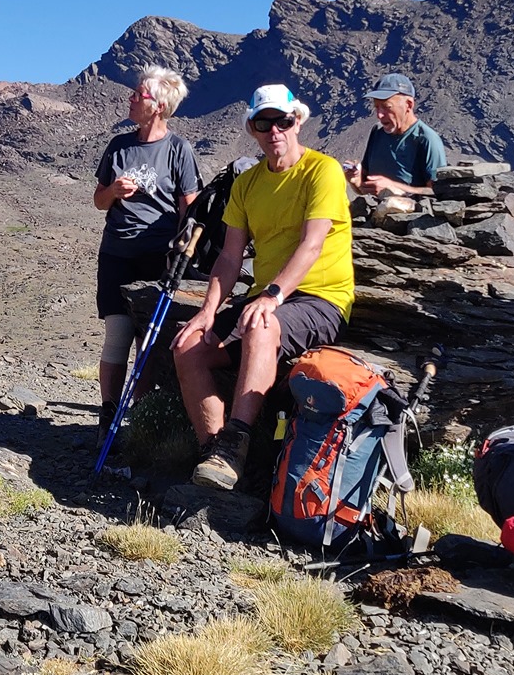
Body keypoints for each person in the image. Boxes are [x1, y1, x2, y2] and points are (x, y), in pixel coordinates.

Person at [173, 84, 355, 490]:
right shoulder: (248, 183)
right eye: (263, 123)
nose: (274, 131)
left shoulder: (322, 171)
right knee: (188, 347)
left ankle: (236, 439)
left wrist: (273, 294)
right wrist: (206, 312)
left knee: (261, 324)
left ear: (297, 122)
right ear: (253, 130)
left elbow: (312, 245)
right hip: (267, 298)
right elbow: (229, 258)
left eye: (282, 121)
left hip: (321, 299)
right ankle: (216, 456)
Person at [92, 67, 203, 436]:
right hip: (117, 253)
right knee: (117, 333)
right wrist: (113, 193)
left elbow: (190, 205)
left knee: (149, 341)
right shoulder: (118, 146)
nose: (131, 98)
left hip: (158, 257)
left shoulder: (178, 150)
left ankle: (138, 414)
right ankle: (108, 413)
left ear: (158, 106)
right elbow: (98, 200)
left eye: (139, 95)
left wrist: (186, 251)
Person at [345, 72, 447, 198]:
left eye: (387, 107)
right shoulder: (377, 132)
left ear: (408, 105)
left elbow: (438, 193)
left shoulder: (427, 139)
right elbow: (365, 189)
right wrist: (355, 180)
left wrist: (393, 188)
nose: (379, 115)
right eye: (376, 107)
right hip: (375, 216)